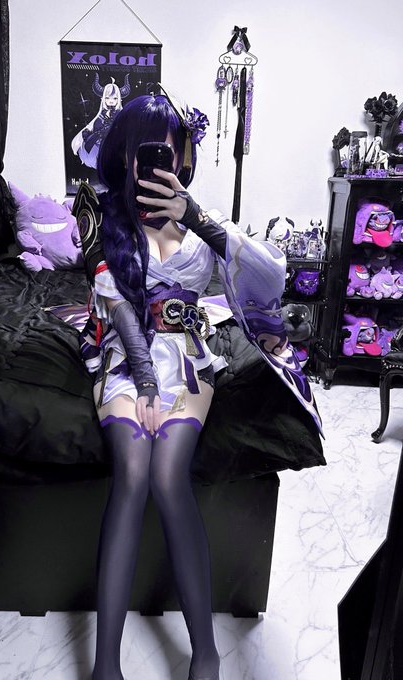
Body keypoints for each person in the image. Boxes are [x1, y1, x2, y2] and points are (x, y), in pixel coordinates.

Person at [74, 93, 322, 680]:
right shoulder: (109, 223)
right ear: (127, 156)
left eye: (170, 148)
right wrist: (143, 385)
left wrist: (198, 218)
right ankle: (105, 664)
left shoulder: (198, 223)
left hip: (187, 361)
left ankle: (204, 651)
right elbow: (122, 317)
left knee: (168, 476)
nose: (161, 160)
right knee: (131, 475)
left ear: (182, 156)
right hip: (126, 361)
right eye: (146, 150)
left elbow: (272, 276)